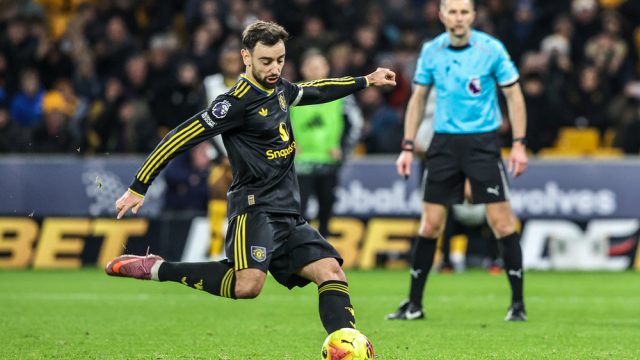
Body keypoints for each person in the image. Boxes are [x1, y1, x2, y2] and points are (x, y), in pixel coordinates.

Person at [105, 20, 396, 336]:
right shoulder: (233, 104)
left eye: (280, 60)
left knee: (332, 271)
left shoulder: (281, 89)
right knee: (248, 286)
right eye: (266, 61)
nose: (275, 68)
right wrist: (139, 185)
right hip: (253, 209)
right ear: (246, 57)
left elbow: (316, 90)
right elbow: (179, 137)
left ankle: (344, 346)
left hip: (288, 212)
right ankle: (159, 269)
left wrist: (366, 80)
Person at [385, 0, 528, 322]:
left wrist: (519, 144)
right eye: (453, 11)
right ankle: (413, 304)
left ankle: (517, 305)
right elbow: (418, 98)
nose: (459, 17)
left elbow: (514, 94)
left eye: (465, 12)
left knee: (502, 223)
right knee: (431, 224)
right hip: (444, 144)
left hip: (482, 143)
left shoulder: (491, 49)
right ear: (442, 16)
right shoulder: (432, 51)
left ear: (473, 16)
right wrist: (407, 146)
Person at [290, 49, 363, 237]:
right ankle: (302, 251)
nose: (315, 71)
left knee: (326, 211)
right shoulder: (291, 93)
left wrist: (344, 149)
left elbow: (356, 124)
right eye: (311, 67)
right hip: (300, 164)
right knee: (300, 211)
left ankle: (323, 253)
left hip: (329, 162)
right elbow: (275, 123)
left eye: (319, 66)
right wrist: (287, 146)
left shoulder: (341, 93)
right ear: (303, 69)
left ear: (327, 68)